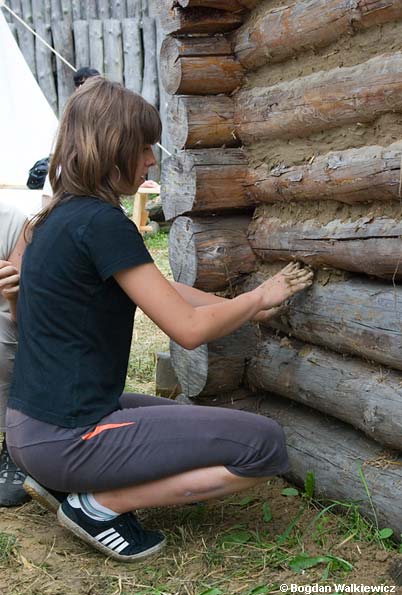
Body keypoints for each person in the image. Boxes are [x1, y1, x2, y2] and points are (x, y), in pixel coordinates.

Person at [6, 77, 313, 562]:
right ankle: (97, 505)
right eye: (144, 146)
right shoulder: (104, 223)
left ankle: (66, 485)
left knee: (188, 423)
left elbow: (161, 290)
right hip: (68, 439)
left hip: (31, 429)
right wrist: (255, 298)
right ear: (113, 149)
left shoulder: (52, 219)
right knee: (262, 446)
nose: (152, 159)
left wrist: (236, 303)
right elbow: (187, 331)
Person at [0, 203, 29, 506]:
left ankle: (14, 442)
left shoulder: (14, 223)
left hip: (8, 325)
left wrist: (14, 293)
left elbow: (25, 317)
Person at [42, 66, 101, 206]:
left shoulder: (103, 109)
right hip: (71, 159)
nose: (83, 88)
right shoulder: (72, 109)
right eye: (80, 84)